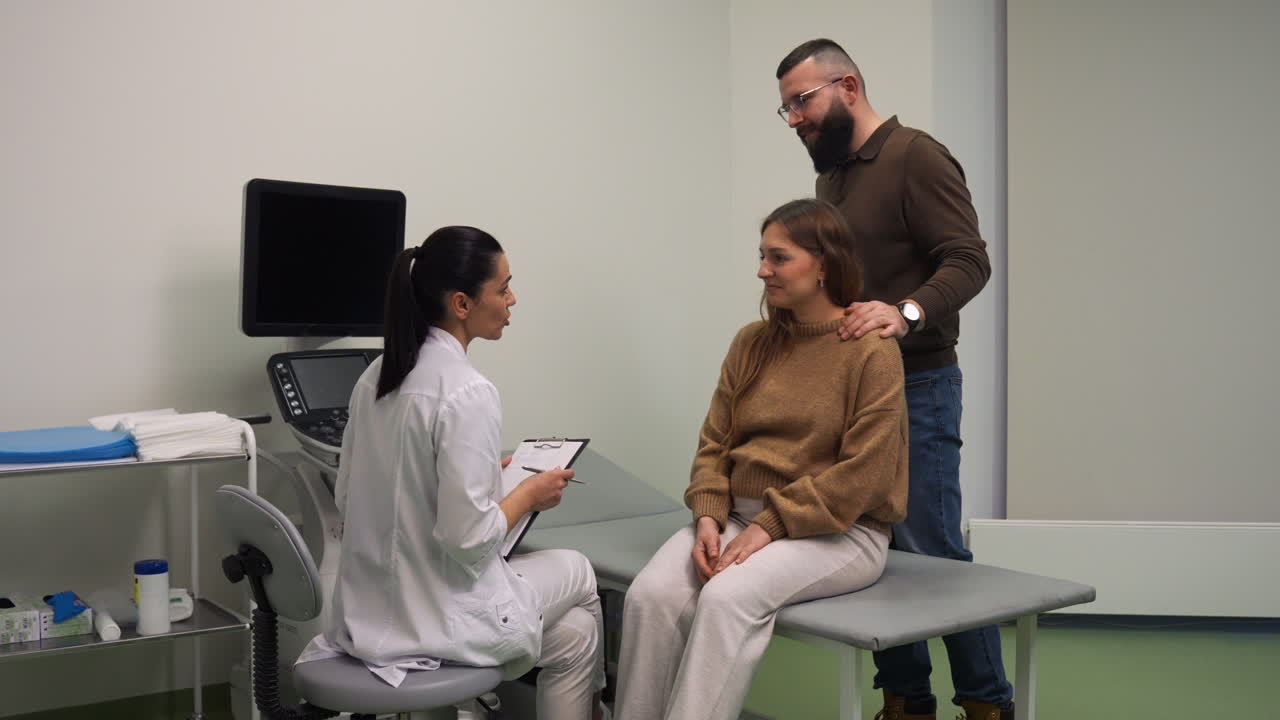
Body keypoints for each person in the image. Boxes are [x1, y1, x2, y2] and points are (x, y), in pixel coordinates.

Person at [775, 39, 1012, 720]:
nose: (795, 119)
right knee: (870, 544)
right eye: (786, 108)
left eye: (803, 100)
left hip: (919, 387)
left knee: (932, 549)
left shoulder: (917, 157)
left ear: (847, 85)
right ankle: (907, 701)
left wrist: (906, 312)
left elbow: (969, 260)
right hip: (852, 394)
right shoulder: (833, 180)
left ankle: (987, 704)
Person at [297, 226, 608, 720]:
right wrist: (527, 493)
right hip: (438, 623)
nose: (513, 299)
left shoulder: (374, 375)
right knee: (579, 571)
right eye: (503, 288)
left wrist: (486, 475)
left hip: (371, 616)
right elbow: (467, 540)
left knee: (575, 636)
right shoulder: (468, 391)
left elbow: (351, 495)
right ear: (462, 304)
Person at [613, 199, 908, 720]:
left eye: (778, 257)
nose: (762, 270)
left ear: (824, 265)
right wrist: (708, 513)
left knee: (726, 599)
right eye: (762, 255)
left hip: (840, 530)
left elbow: (866, 475)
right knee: (650, 597)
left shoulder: (871, 352)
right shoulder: (752, 343)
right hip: (738, 519)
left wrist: (771, 524)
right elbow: (714, 444)